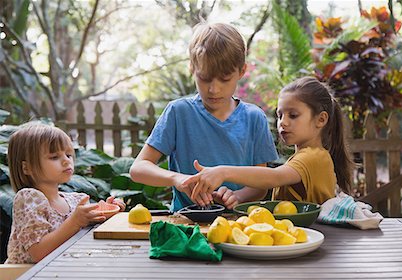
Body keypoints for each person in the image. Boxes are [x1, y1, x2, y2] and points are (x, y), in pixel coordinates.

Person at [130, 22, 278, 211]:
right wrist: (178, 179)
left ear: (241, 71)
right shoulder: (178, 112)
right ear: (192, 69)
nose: (213, 89)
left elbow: (261, 183)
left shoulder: (254, 118)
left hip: (239, 227)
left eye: (224, 79)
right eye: (205, 78)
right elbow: (138, 168)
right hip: (185, 225)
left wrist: (237, 196)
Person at [183, 76, 354, 204]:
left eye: (293, 115)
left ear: (321, 120)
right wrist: (235, 196)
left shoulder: (314, 157)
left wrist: (222, 172)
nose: (283, 122)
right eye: (280, 115)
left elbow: (274, 177)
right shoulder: (304, 157)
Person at [6, 123, 125, 264]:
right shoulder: (29, 198)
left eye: (68, 154)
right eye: (54, 157)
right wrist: (75, 221)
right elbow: (38, 253)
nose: (66, 161)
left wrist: (108, 213)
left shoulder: (76, 199)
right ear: (27, 168)